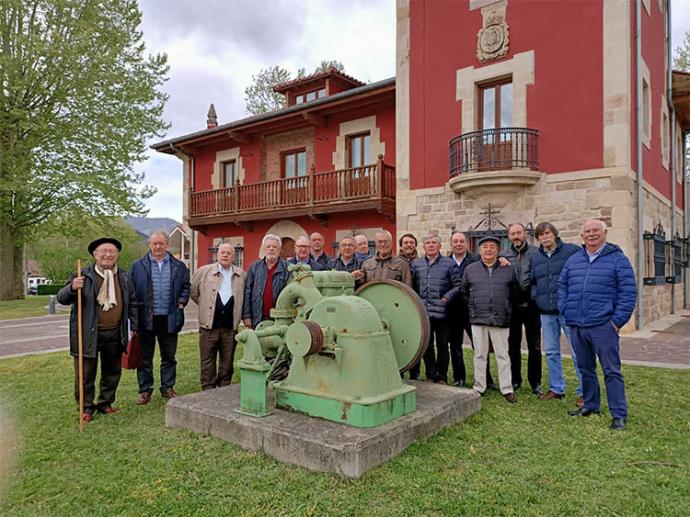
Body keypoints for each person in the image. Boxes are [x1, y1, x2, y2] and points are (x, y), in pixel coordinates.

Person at [558, 219, 636, 430]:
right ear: (582, 235)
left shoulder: (618, 260)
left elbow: (628, 293)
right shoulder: (574, 260)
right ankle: (591, 405)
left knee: (611, 370)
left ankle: (618, 414)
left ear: (604, 233)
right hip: (577, 324)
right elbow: (562, 285)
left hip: (603, 325)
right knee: (585, 368)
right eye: (587, 231)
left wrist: (616, 322)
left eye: (596, 231)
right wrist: (565, 309)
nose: (591, 234)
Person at [57, 237, 137, 421]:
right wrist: (71, 287)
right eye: (104, 251)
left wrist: (134, 325)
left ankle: (105, 403)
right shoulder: (82, 275)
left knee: (112, 372)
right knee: (85, 374)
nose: (108, 254)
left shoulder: (124, 277)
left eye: (112, 252)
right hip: (88, 334)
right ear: (95, 254)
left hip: (115, 332)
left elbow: (132, 302)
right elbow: (62, 298)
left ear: (117, 255)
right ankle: (85, 407)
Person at [130, 231, 190, 404]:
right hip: (145, 319)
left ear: (167, 244)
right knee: (145, 358)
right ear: (149, 244)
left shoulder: (178, 266)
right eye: (155, 243)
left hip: (170, 318)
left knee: (169, 357)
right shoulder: (137, 266)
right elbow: (131, 291)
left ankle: (167, 388)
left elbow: (186, 286)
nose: (158, 247)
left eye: (161, 243)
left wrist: (181, 303)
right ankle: (144, 391)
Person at [528, 222, 583, 406]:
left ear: (555, 235)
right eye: (540, 236)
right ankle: (557, 388)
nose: (544, 238)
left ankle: (585, 390)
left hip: (568, 311)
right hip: (546, 311)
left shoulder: (571, 251)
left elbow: (581, 275)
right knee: (551, 351)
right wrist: (537, 298)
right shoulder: (536, 258)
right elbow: (533, 281)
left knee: (577, 352)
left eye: (547, 234)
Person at [461, 235, 519, 403]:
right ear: (480, 250)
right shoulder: (471, 269)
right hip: (478, 318)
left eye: (492, 247)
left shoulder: (507, 269)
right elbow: (464, 292)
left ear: (498, 250)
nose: (488, 249)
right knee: (479, 354)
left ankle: (506, 388)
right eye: (485, 246)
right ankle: (479, 386)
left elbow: (514, 291)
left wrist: (506, 307)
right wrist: (473, 307)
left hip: (500, 318)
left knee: (503, 355)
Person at [190, 243, 246, 390]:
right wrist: (205, 304)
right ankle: (208, 389)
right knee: (207, 360)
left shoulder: (241, 275)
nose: (225, 255)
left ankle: (224, 388)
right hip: (209, 326)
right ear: (217, 254)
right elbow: (194, 292)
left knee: (227, 361)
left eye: (229, 253)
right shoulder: (204, 272)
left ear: (234, 257)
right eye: (222, 252)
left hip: (230, 327)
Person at [446, 231, 496, 388]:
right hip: (453, 311)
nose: (459, 244)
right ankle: (459, 377)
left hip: (473, 310)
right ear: (451, 244)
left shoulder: (477, 260)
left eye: (462, 241)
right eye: (456, 241)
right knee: (455, 346)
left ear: (467, 243)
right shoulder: (446, 262)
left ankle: (486, 379)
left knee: (480, 347)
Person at [410, 234, 460, 383]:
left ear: (439, 246)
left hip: (443, 312)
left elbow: (458, 285)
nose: (431, 245)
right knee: (427, 346)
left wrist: (446, 298)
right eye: (428, 243)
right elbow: (412, 286)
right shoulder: (416, 265)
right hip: (424, 313)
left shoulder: (449, 264)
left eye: (434, 243)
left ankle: (442, 376)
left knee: (443, 345)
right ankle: (431, 375)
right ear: (423, 247)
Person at [500, 223, 543, 395]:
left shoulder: (536, 253)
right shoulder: (503, 255)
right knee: (513, 345)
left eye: (519, 233)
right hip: (512, 306)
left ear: (525, 234)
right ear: (509, 236)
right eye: (512, 234)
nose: (516, 236)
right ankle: (515, 379)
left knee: (535, 346)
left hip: (532, 306)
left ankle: (535, 382)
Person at [242, 234, 290, 329]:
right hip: (258, 317)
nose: (271, 249)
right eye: (268, 246)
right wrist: (246, 315)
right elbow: (247, 292)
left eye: (274, 247)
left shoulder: (288, 268)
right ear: (264, 249)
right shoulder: (254, 267)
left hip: (280, 318)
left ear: (279, 250)